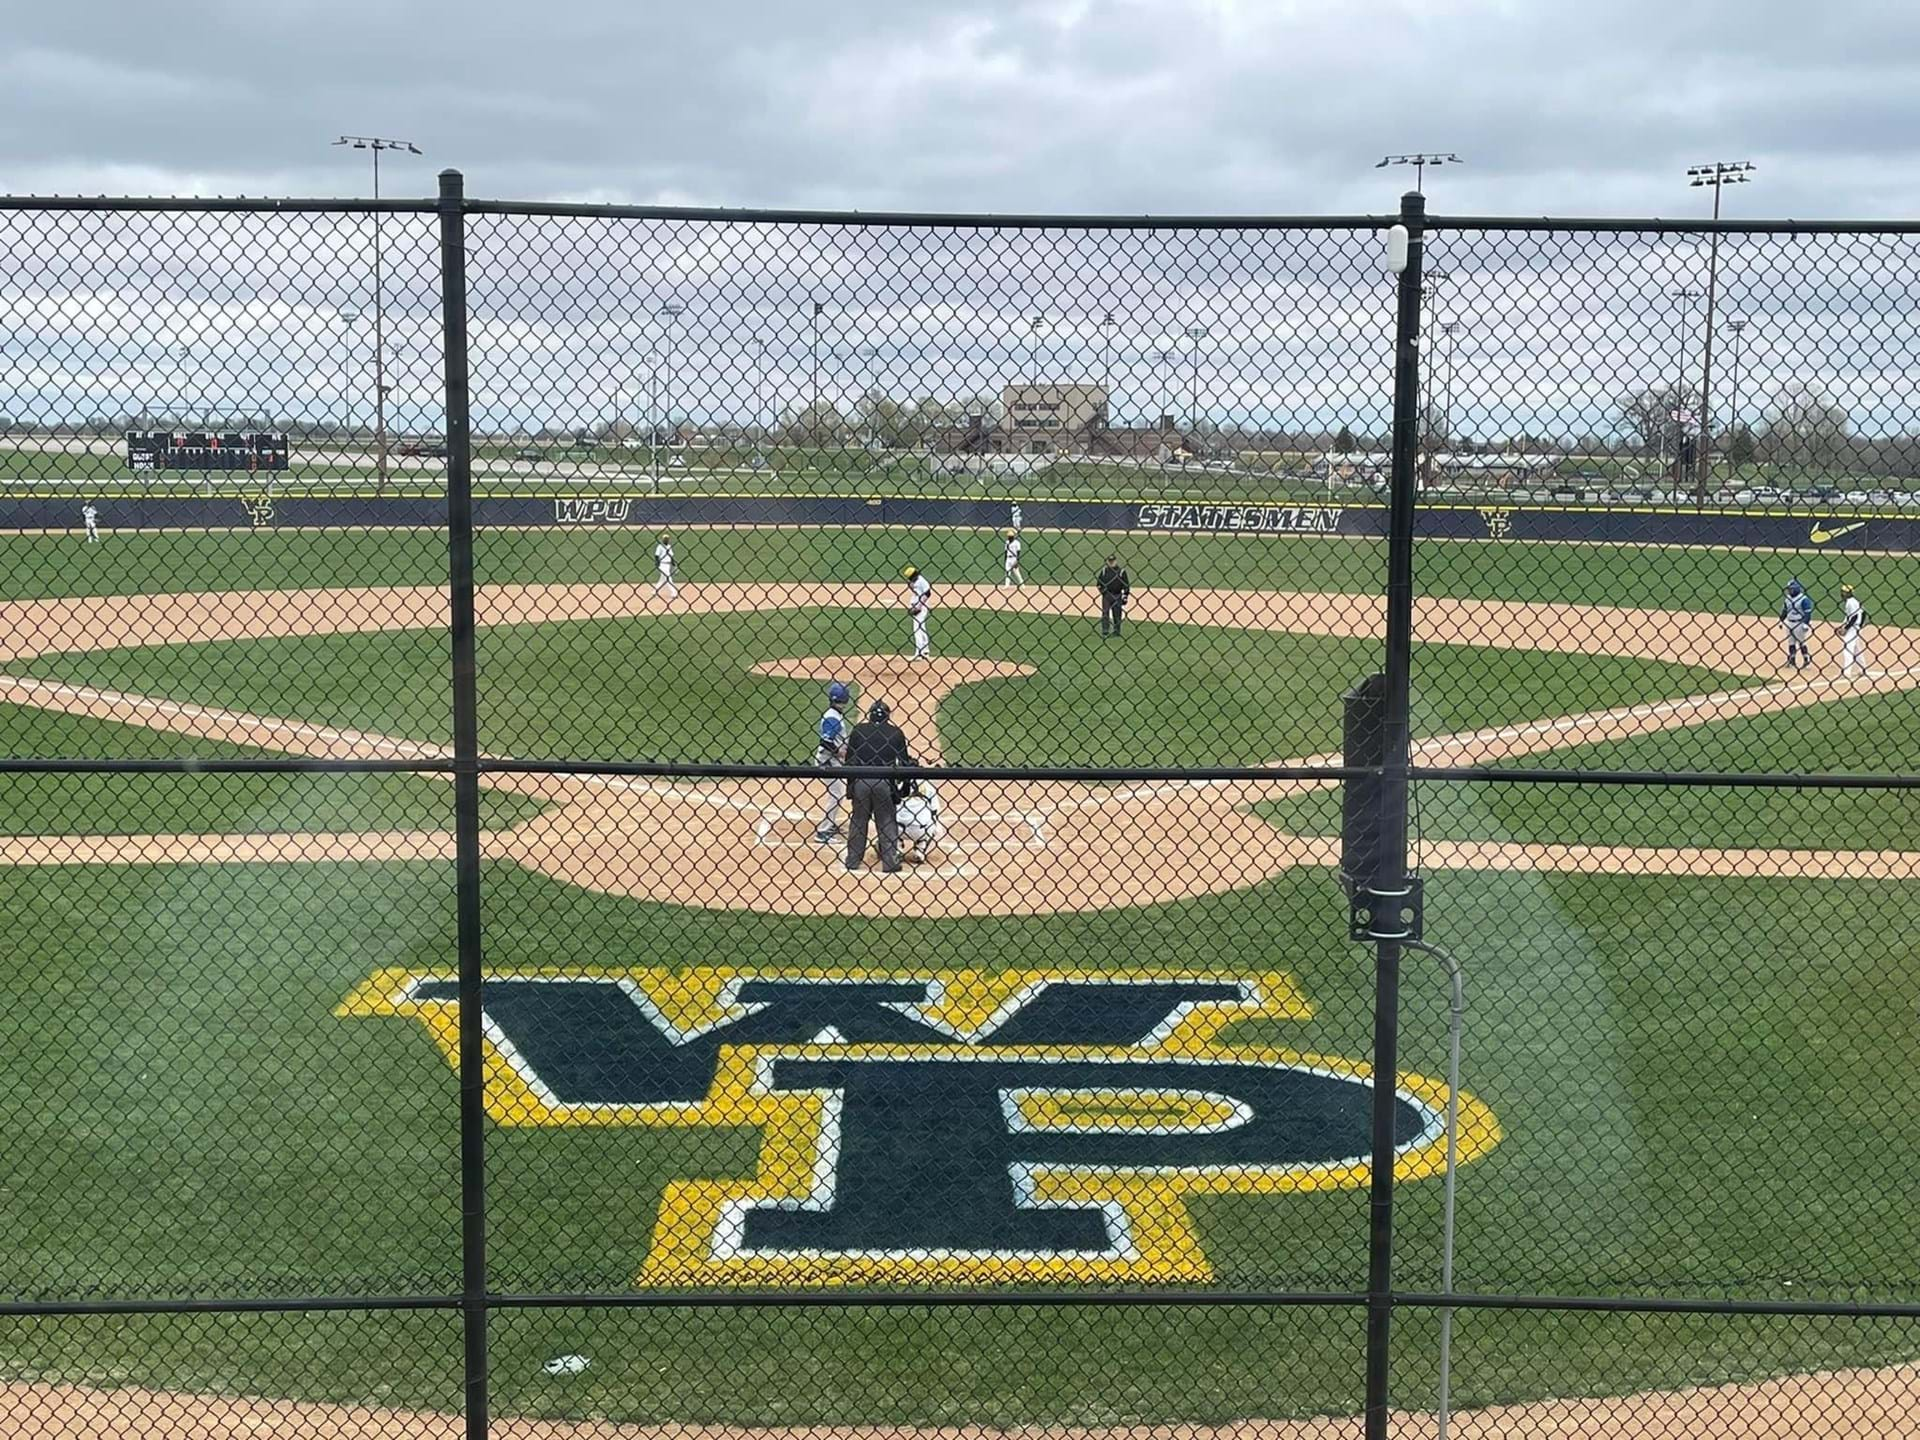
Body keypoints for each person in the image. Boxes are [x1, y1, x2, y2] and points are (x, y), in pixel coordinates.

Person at [844, 699, 913, 873]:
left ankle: (853, 860)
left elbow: (849, 761)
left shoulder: (858, 730)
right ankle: (889, 863)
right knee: (887, 821)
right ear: (887, 716)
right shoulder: (895, 733)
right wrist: (903, 788)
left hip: (861, 780)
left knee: (858, 821)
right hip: (884, 782)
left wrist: (850, 786)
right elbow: (905, 763)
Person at [813, 681, 851, 843]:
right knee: (837, 794)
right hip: (827, 761)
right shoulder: (832, 718)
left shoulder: (833, 715)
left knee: (837, 793)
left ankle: (830, 823)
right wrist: (839, 752)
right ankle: (823, 832)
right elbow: (825, 741)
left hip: (831, 761)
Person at [896, 778, 942, 863]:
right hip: (921, 829)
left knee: (884, 817)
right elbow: (935, 810)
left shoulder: (896, 784)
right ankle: (920, 850)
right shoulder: (928, 785)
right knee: (935, 824)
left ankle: (897, 849)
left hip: (897, 828)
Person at [1780, 578, 1813, 669]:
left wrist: (1806, 623)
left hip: (1799, 623)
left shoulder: (1803, 599)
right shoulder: (1788, 598)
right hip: (1789, 622)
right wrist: (1781, 620)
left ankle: (1806, 660)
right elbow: (1785, 611)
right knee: (1791, 643)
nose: (1789, 591)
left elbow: (1807, 612)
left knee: (1801, 642)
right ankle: (1792, 661)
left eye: (1791, 589)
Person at [1097, 554, 1131, 636]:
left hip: (1117, 594)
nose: (1111, 563)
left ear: (1116, 561)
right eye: (1110, 561)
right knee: (1105, 613)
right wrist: (1103, 592)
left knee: (1117, 613)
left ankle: (1117, 631)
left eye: (1113, 561)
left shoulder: (1121, 571)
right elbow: (1099, 584)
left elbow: (1126, 585)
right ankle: (1105, 630)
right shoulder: (1104, 571)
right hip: (1107, 595)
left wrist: (1125, 596)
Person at [903, 565, 932, 659]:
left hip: (921, 607)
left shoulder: (921, 581)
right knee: (921, 627)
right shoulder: (915, 581)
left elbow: (928, 593)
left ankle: (919, 653)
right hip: (917, 605)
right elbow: (917, 591)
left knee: (917, 629)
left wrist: (919, 607)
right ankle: (925, 651)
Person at [1839, 583, 1866, 677]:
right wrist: (1843, 625)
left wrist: (1846, 628)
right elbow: (1862, 613)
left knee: (1848, 649)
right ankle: (1862, 669)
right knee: (1856, 649)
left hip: (1853, 628)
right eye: (1843, 592)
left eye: (1845, 592)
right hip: (1855, 627)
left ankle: (1847, 672)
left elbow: (1854, 617)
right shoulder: (1855, 601)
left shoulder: (1850, 602)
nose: (1843, 594)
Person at [653, 532, 679, 598]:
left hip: (668, 565)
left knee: (662, 580)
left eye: (667, 539)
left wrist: (674, 565)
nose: (666, 540)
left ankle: (654, 592)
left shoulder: (669, 546)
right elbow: (656, 555)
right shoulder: (660, 546)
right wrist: (657, 563)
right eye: (665, 539)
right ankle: (674, 593)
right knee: (668, 579)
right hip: (662, 565)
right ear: (663, 540)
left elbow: (671, 556)